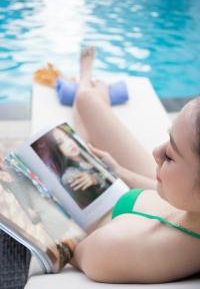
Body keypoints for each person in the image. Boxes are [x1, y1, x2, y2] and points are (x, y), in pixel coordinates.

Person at [57, 46, 200, 283]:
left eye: (171, 154)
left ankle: (86, 78)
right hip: (154, 193)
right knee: (87, 100)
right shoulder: (189, 201)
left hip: (97, 200)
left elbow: (63, 247)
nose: (157, 152)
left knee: (77, 137)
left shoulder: (126, 247)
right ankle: (88, 83)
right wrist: (120, 172)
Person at [32, 127, 111, 209]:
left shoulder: (91, 155)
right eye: (61, 143)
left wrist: (96, 178)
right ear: (56, 150)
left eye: (68, 137)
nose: (69, 143)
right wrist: (97, 180)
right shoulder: (71, 177)